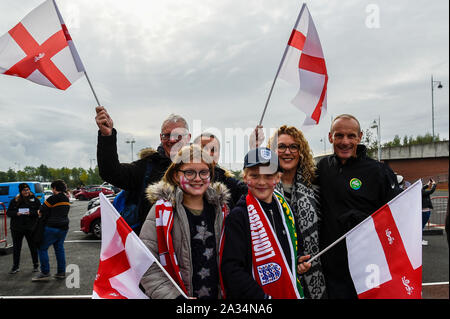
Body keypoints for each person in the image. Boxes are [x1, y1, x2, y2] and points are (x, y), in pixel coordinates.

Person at [316, 114, 402, 299]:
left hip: (369, 268)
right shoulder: (322, 168)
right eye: (339, 135)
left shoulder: (379, 172)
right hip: (333, 268)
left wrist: (365, 220)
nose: (345, 141)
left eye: (351, 136)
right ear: (330, 137)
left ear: (360, 136)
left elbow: (397, 217)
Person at [139, 144, 229, 299]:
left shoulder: (222, 211)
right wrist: (176, 298)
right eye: (189, 172)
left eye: (204, 172)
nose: (197, 178)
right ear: (175, 175)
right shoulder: (161, 213)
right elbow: (146, 264)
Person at [221, 147, 310, 299]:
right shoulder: (238, 217)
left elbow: (295, 247)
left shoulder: (285, 209)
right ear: (245, 177)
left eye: (268, 176)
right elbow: (232, 269)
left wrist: (299, 261)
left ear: (278, 177)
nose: (262, 182)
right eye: (254, 176)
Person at [95, 107, 191, 234]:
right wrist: (107, 136)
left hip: (193, 249)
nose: (172, 140)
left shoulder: (203, 169)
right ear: (161, 138)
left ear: (188, 137)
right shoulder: (148, 166)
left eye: (177, 135)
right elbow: (111, 172)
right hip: (151, 249)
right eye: (166, 135)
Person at [266, 125, 327, 299]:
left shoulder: (316, 187)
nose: (288, 152)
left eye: (294, 147)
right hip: (276, 271)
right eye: (282, 147)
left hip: (313, 272)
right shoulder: (263, 189)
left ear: (301, 152)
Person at [193, 132, 248, 209]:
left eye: (213, 150)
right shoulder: (182, 180)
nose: (208, 153)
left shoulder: (228, 182)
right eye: (203, 148)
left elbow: (252, 193)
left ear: (218, 154)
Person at [32, 180, 71, 281]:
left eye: (52, 188)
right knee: (59, 249)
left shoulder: (52, 198)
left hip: (52, 227)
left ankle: (45, 272)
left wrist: (39, 212)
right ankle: (61, 272)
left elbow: (41, 210)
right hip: (64, 227)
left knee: (41, 248)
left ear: (54, 188)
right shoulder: (66, 198)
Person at [6, 183, 40, 274]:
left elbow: (39, 212)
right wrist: (16, 213)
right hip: (17, 228)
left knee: (33, 247)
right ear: (21, 191)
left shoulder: (35, 200)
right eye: (24, 190)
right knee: (16, 248)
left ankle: (36, 265)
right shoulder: (15, 200)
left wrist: (31, 213)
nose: (26, 191)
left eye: (28, 189)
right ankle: (15, 266)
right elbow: (8, 213)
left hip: (31, 228)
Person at [421, 178, 436, 246]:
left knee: (422, 226)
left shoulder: (420, 190)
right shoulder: (421, 191)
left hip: (425, 211)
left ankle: (420, 239)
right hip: (424, 212)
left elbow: (424, 187)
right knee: (421, 226)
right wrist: (434, 185)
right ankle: (420, 240)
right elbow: (431, 191)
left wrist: (428, 184)